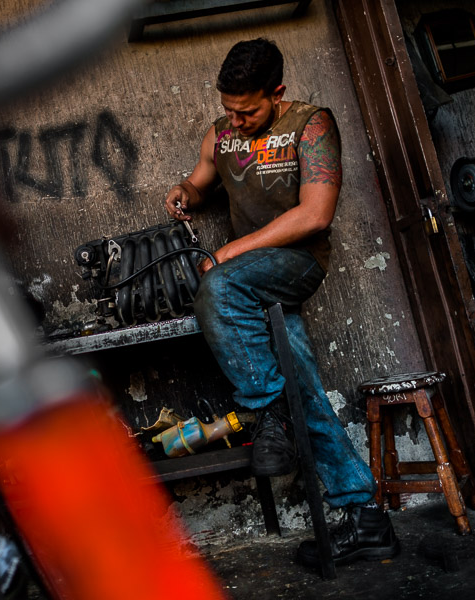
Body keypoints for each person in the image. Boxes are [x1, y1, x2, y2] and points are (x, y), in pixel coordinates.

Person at [163, 38, 400, 567]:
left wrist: (227, 253)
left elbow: (316, 215)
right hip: (251, 278)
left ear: (278, 93)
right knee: (303, 386)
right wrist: (184, 191)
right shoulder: (222, 135)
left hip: (294, 265)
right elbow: (200, 184)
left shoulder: (311, 125)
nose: (236, 120)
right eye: (228, 110)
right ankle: (364, 516)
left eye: (248, 110)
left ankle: (269, 413)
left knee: (218, 288)